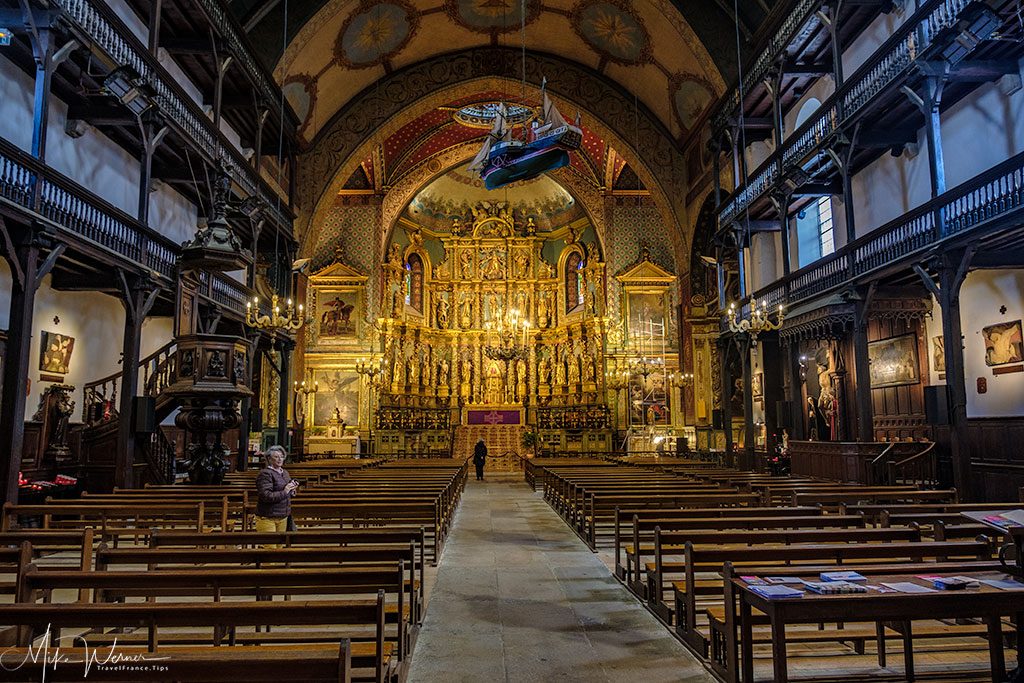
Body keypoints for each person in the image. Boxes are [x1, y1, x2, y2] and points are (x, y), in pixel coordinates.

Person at [255, 445, 298, 534]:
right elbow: (266, 496)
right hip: (268, 517)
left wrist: (292, 489)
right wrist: (285, 491)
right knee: (269, 546)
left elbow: (287, 492)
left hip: (283, 515)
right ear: (269, 459)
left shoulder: (285, 473)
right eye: (276, 457)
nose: (280, 459)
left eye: (282, 457)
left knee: (280, 546)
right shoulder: (265, 474)